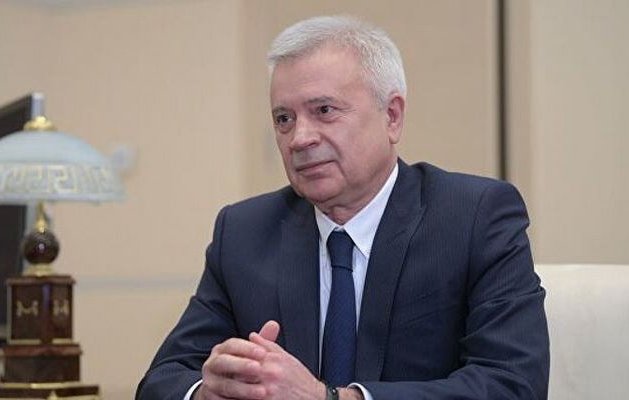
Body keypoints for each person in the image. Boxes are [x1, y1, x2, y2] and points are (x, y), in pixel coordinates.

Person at [137, 15, 549, 400]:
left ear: (392, 116)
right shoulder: (245, 233)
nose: (300, 138)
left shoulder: (474, 217)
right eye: (283, 119)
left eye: (324, 111)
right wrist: (209, 392)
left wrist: (332, 398)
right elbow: (162, 381)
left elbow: (513, 384)